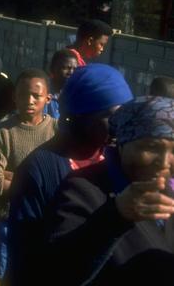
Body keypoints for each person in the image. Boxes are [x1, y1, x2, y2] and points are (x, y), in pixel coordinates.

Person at [6, 63, 133, 286]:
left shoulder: (118, 159)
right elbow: (24, 257)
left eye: (126, 115)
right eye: (113, 117)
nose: (121, 126)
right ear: (81, 116)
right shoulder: (39, 169)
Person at [45, 96, 174, 285]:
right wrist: (116, 216)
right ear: (122, 144)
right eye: (151, 147)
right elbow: (59, 270)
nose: (164, 163)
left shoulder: (168, 192)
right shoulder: (82, 189)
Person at [0, 68, 57, 284]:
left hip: (48, 221)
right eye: (22, 94)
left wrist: (14, 179)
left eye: (36, 96)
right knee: (9, 277)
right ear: (14, 96)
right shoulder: (2, 132)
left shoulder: (57, 132)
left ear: (47, 98)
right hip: (9, 220)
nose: (29, 100)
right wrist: (37, 185)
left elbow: (63, 177)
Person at [44, 49, 79, 119]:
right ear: (52, 69)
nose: (71, 72)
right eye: (66, 68)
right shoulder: (43, 92)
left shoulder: (77, 95)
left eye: (75, 69)